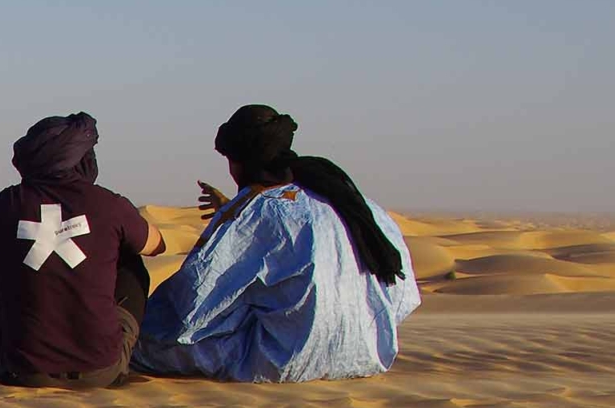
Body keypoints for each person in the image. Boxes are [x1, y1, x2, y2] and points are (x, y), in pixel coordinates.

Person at [132, 105, 422, 382]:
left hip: (281, 360)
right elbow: (405, 296)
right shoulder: (359, 206)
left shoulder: (256, 211)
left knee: (140, 347)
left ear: (238, 162)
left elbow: (192, 305)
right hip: (369, 354)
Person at [0, 113, 165, 389]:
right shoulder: (109, 204)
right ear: (83, 159)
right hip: (102, 370)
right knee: (131, 261)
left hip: (21, 371)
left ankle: (6, 349)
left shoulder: (4, 205)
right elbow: (156, 245)